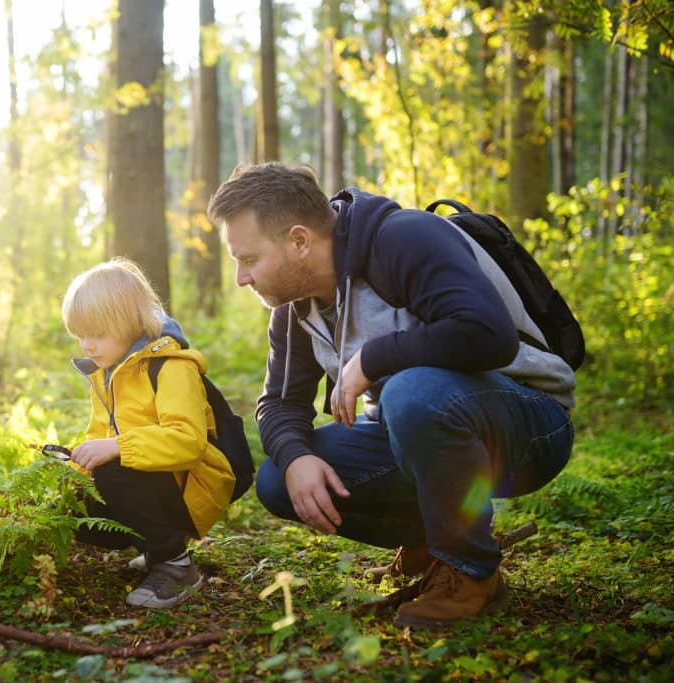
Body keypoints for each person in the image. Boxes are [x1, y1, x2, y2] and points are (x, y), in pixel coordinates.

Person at [207, 163, 575, 629]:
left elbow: (489, 334)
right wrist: (296, 455)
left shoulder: (403, 239)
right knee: (279, 479)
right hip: (423, 427)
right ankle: (433, 540)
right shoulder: (295, 308)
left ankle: (470, 570)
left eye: (249, 260)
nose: (241, 278)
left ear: (299, 241)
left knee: (409, 392)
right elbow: (279, 404)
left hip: (530, 421)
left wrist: (374, 359)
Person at [61, 257, 236, 609]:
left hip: (193, 484)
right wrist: (71, 479)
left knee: (113, 470)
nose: (87, 346)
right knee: (73, 508)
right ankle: (157, 549)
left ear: (128, 323)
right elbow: (100, 435)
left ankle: (176, 566)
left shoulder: (171, 368)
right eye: (81, 335)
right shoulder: (106, 372)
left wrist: (116, 448)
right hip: (156, 479)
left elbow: (187, 443)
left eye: (97, 334)